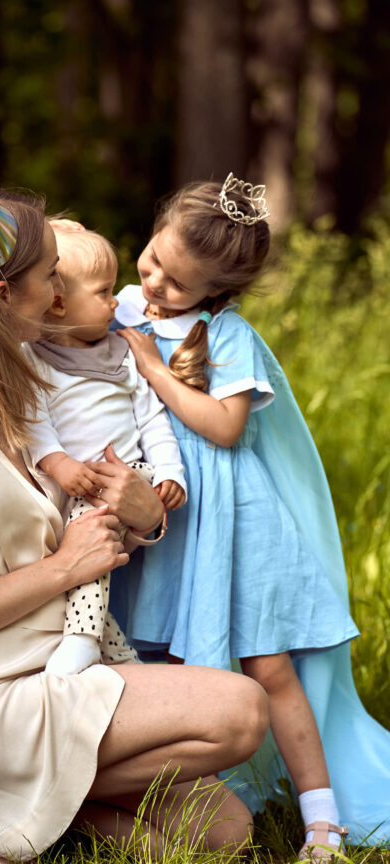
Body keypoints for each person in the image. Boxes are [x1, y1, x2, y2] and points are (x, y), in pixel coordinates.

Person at [0, 185, 270, 862]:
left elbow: (90, 521)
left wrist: (145, 515)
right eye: (50, 277)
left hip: (65, 669)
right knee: (242, 711)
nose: (59, 294)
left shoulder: (25, 389)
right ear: (2, 291)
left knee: (222, 833)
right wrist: (63, 568)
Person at [110, 173, 390, 855]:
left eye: (178, 282)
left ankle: (322, 819)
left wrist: (155, 371)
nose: (155, 283)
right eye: (153, 259)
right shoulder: (122, 306)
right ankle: (188, 806)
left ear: (217, 289)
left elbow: (226, 426)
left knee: (269, 664)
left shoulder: (224, 333)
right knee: (158, 659)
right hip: (165, 521)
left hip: (234, 523)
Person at [26, 223, 186, 676]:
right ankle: (118, 655)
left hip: (127, 474)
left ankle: (81, 640)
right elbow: (33, 421)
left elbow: (152, 419)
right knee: (78, 576)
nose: (116, 303)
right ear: (58, 303)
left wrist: (169, 471)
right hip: (75, 481)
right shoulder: (33, 357)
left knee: (89, 534)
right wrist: (58, 462)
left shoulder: (121, 353)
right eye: (103, 292)